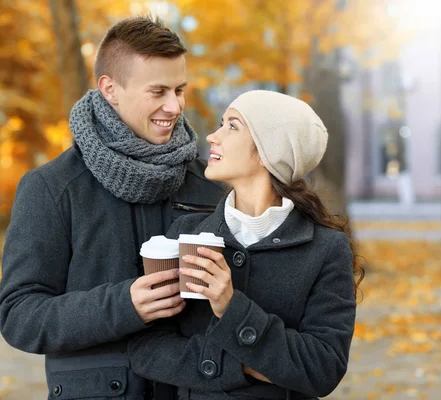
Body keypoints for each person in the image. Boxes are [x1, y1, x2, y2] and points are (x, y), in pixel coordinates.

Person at [0, 16, 226, 400]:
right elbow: (19, 316)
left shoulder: (212, 184)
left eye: (180, 90)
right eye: (158, 91)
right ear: (110, 89)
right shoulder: (51, 189)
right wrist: (123, 305)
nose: (174, 106)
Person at [128, 90, 365, 399]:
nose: (213, 136)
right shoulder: (186, 233)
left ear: (271, 149)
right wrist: (236, 367)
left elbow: (322, 369)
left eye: (233, 126)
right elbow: (145, 349)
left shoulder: (326, 249)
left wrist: (231, 307)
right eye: (221, 124)